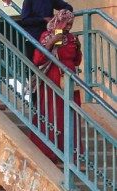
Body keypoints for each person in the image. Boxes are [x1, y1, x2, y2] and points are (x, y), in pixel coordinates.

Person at [29, 10, 82, 162]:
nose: (69, 27)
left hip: (69, 81)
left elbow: (76, 61)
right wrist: (52, 41)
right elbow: (38, 59)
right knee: (52, 114)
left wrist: (78, 47)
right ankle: (49, 151)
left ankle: (70, 153)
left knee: (69, 115)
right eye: (66, 23)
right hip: (53, 79)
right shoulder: (47, 35)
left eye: (71, 24)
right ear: (59, 22)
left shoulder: (71, 38)